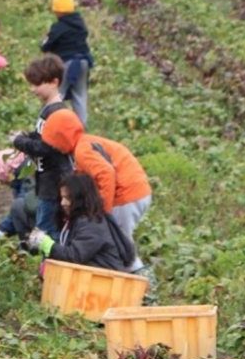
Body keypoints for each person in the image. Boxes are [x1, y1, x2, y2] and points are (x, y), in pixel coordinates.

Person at [40, 109, 152, 273]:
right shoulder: (85, 142)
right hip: (138, 191)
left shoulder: (82, 151)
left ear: (60, 139)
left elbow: (106, 174)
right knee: (121, 241)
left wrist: (101, 213)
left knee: (120, 244)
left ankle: (144, 287)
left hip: (126, 196)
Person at [10, 55, 74, 241]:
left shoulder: (57, 112)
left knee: (47, 230)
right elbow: (41, 138)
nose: (33, 89)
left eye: (37, 84)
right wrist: (27, 136)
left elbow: (47, 147)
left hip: (53, 183)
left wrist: (20, 141)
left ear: (54, 82)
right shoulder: (48, 111)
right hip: (46, 182)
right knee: (46, 227)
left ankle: (51, 265)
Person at [24, 172, 135, 273]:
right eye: (62, 198)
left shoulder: (92, 223)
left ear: (80, 199)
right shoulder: (78, 220)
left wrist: (49, 245)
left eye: (68, 198)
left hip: (105, 283)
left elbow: (75, 256)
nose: (63, 203)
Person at [41, 0, 93, 127]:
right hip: (84, 62)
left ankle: (47, 124)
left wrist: (45, 41)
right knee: (80, 96)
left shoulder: (59, 27)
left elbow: (47, 46)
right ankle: (81, 128)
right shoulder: (80, 24)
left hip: (67, 64)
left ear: (58, 11)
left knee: (58, 94)